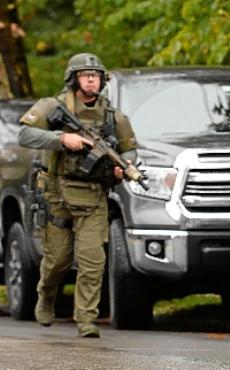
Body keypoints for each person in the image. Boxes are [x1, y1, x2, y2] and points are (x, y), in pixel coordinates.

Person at [18, 52, 138, 338]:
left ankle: (86, 319)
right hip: (57, 195)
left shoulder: (113, 116)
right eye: (86, 75)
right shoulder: (53, 106)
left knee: (92, 261)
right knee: (57, 260)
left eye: (95, 76)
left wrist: (126, 167)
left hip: (93, 197)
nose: (91, 80)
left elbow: (129, 150)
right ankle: (46, 297)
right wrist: (61, 139)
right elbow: (24, 135)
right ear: (73, 79)